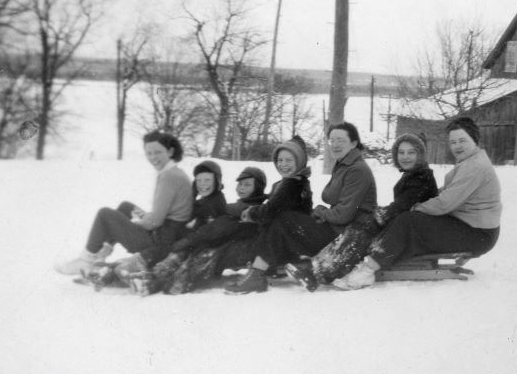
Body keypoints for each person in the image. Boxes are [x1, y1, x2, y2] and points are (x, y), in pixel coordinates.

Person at [334, 116, 501, 290]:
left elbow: (445, 204)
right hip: (473, 228)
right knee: (410, 220)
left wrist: (417, 207)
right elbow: (449, 192)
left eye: (462, 141)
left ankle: (367, 271)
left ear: (474, 140)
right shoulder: (471, 162)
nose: (457, 146)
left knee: (409, 222)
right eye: (453, 142)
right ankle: (377, 259)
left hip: (477, 233)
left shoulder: (475, 167)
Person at [225, 122, 377, 294]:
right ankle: (259, 272)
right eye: (332, 140)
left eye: (340, 140)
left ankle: (257, 274)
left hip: (347, 235)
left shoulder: (357, 170)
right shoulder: (344, 165)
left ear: (354, 143)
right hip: (339, 228)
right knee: (284, 220)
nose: (335, 144)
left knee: (284, 219)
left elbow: (344, 214)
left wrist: (322, 212)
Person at [160, 136, 314, 295]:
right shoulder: (285, 184)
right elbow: (273, 206)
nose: (283, 164)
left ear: (300, 160)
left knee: (218, 247)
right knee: (216, 242)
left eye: (289, 160)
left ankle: (175, 279)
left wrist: (245, 212)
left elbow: (272, 211)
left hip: (273, 245)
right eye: (280, 160)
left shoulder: (294, 183)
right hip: (269, 242)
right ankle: (170, 272)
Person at [285, 132, 438, 292]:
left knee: (362, 231)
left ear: (420, 155)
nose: (405, 157)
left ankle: (317, 273)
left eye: (411, 152)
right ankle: (320, 267)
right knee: (360, 228)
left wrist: (379, 216)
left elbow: (403, 204)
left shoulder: (422, 178)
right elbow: (402, 205)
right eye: (401, 152)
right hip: (406, 228)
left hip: (416, 234)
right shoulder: (412, 175)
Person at [54, 130, 193, 280]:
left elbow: (155, 221)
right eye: (149, 153)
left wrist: (135, 223)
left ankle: (86, 260)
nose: (153, 157)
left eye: (158, 152)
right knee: (126, 207)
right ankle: (99, 256)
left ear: (170, 151)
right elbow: (160, 216)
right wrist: (140, 219)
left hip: (161, 241)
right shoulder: (174, 172)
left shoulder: (169, 176)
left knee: (105, 214)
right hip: (168, 231)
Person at [132, 166, 268, 295]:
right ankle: (154, 276)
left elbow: (220, 230)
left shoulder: (252, 211)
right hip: (225, 244)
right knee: (187, 249)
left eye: (247, 185)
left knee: (199, 255)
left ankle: (155, 283)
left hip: (235, 250)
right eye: (240, 184)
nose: (242, 188)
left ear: (258, 188)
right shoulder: (238, 207)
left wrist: (192, 239)